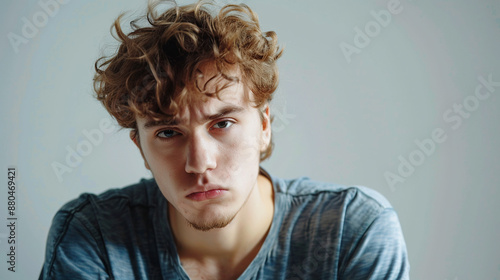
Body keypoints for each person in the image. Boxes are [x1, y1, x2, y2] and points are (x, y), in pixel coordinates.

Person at [39, 1, 410, 279]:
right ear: (141, 148)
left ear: (265, 126)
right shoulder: (94, 237)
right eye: (168, 133)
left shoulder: (353, 230)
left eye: (223, 124)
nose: (199, 163)